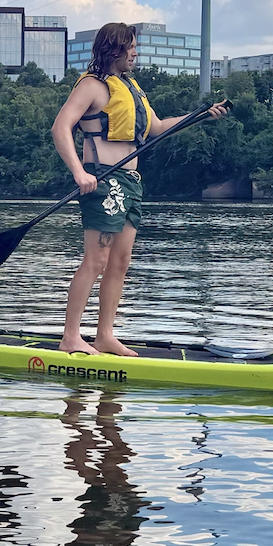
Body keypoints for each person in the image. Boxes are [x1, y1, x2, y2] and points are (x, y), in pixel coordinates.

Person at [51, 23, 225, 356]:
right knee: (96, 259)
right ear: (113, 49)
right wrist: (78, 172)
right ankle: (70, 337)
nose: (135, 52)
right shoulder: (92, 85)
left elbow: (157, 127)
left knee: (120, 261)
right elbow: (61, 127)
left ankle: (104, 335)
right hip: (102, 180)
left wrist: (200, 115)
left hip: (131, 182)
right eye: (130, 46)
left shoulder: (131, 88)